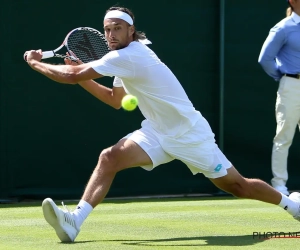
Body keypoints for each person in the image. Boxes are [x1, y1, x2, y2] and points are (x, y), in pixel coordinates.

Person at [24, 6, 300, 243]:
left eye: (117, 29)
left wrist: (36, 64)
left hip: (190, 134)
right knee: (109, 157)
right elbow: (114, 99)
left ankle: (292, 205)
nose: (110, 35)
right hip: (156, 132)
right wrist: (82, 76)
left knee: (238, 187)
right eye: (107, 29)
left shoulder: (128, 56)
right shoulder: (126, 56)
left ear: (131, 31)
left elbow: (72, 75)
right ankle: (74, 221)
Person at [258, 0, 300, 196]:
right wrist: (283, 77)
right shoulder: (283, 27)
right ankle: (280, 185)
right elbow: (265, 58)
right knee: (284, 136)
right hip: (291, 85)